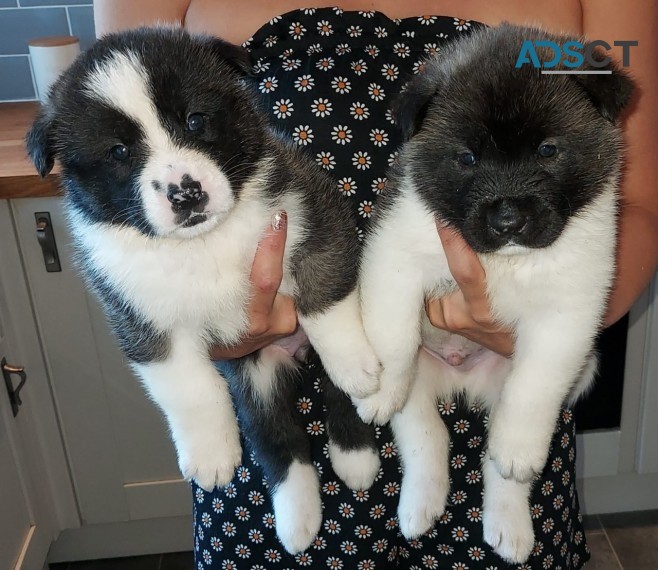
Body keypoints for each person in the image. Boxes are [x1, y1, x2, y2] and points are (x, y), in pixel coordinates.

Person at [95, 2, 658, 569]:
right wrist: (207, 336)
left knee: (512, 473)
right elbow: (116, 157)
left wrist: (540, 330)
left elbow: (626, 164)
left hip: (512, 389)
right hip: (278, 405)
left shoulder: (560, 60)